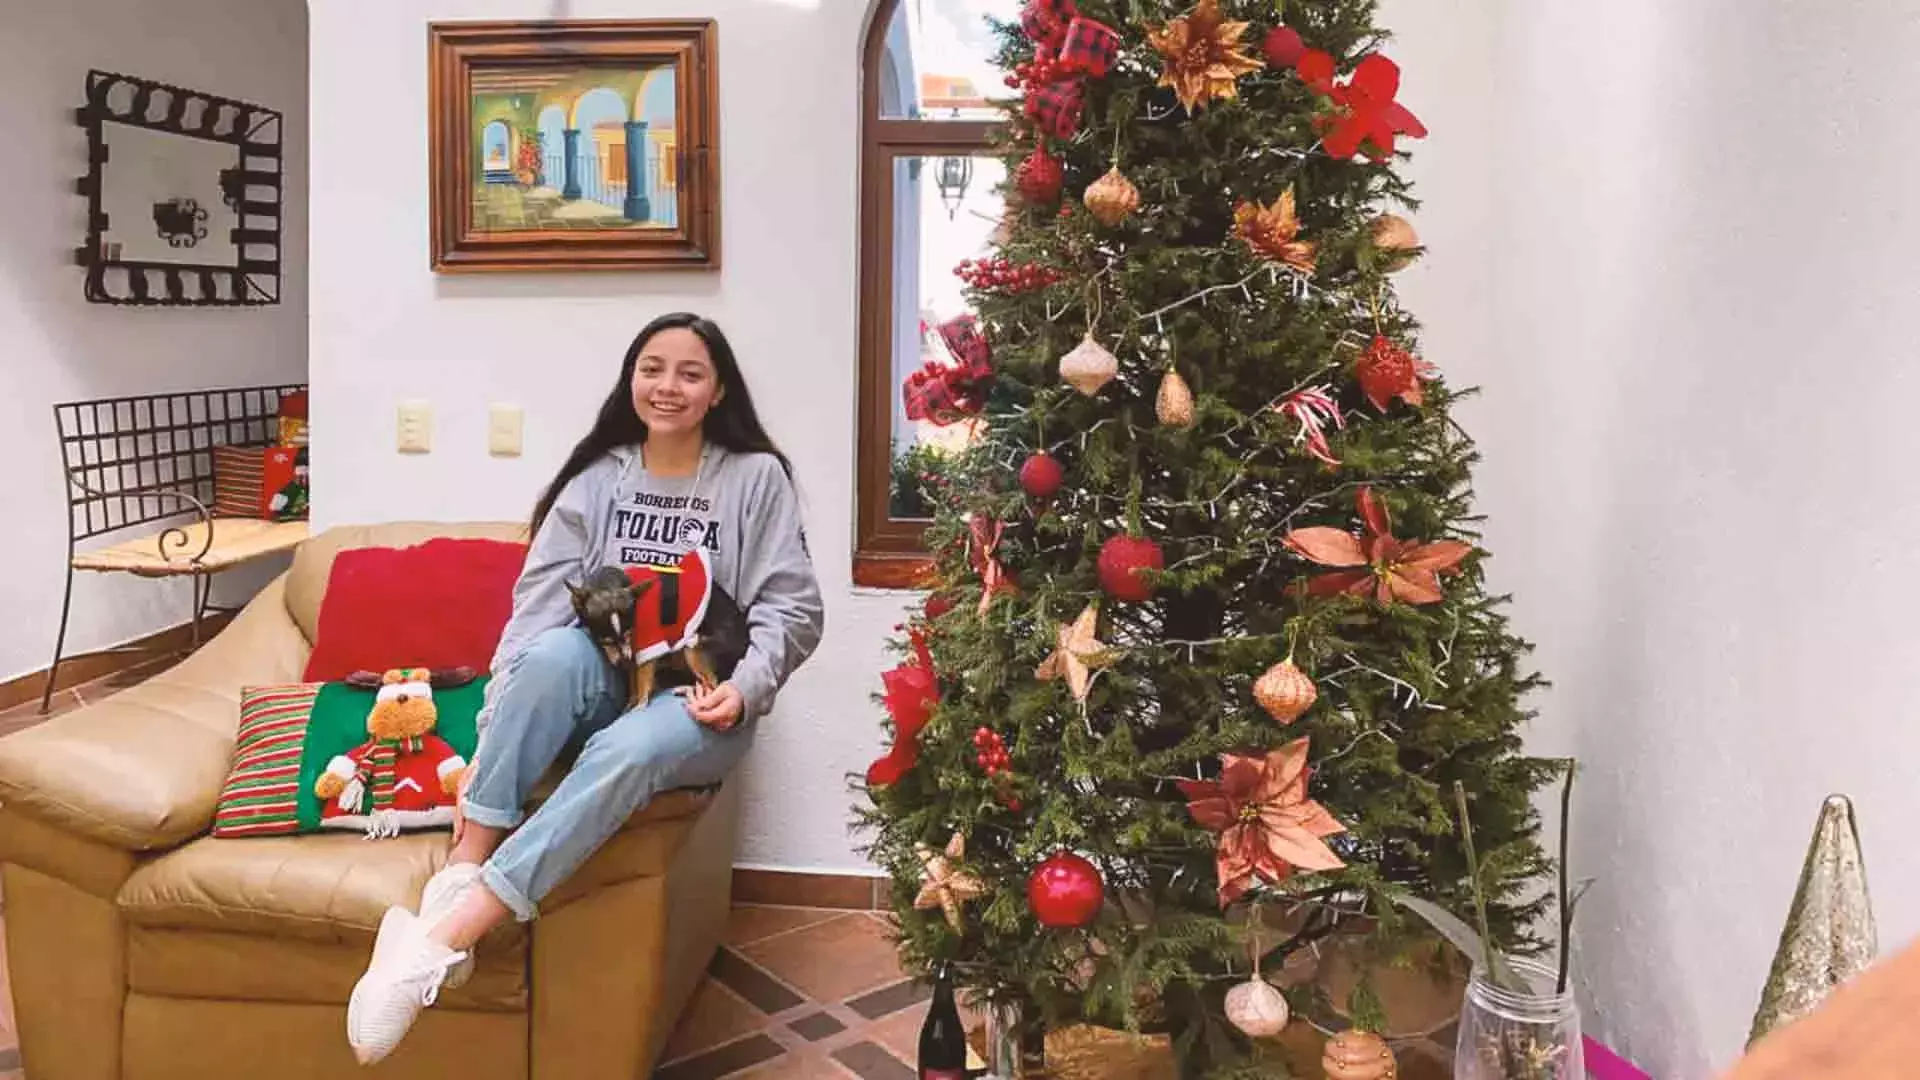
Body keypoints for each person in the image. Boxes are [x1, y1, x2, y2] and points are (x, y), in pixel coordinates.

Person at [345, 313, 826, 1064]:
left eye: (690, 372)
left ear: (718, 388)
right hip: (601, 677)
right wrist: (488, 736)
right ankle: (463, 862)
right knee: (549, 657)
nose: (668, 386)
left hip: (697, 695)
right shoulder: (598, 479)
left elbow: (793, 609)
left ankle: (443, 937)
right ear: (631, 378)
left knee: (632, 748)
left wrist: (749, 690)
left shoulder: (753, 478)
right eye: (652, 367)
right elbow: (533, 616)